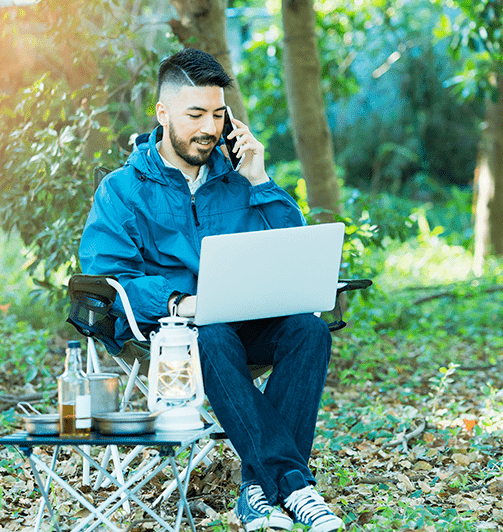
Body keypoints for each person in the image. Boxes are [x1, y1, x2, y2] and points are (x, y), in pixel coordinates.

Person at [78, 48, 344, 532]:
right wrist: (179, 302)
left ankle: (258, 492)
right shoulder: (123, 189)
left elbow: (291, 247)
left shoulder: (238, 178)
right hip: (168, 336)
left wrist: (260, 179)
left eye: (219, 114)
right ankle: (292, 486)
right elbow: (108, 276)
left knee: (310, 332)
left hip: (244, 320)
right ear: (163, 114)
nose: (209, 127)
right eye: (195, 114)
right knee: (213, 334)